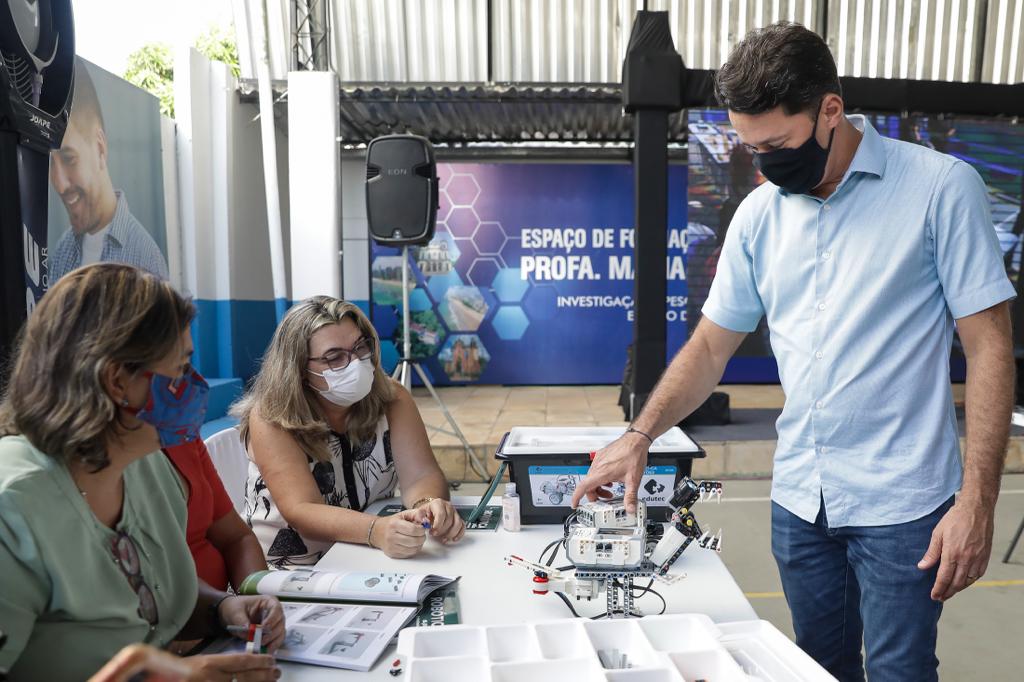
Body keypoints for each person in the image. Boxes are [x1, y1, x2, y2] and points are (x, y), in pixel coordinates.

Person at [572, 22, 1014, 682]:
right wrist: (642, 433)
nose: (764, 163)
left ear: (830, 110)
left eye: (776, 143)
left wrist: (977, 502)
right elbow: (711, 348)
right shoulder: (759, 215)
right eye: (750, 147)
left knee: (900, 672)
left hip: (904, 506)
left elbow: (989, 348)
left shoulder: (939, 189)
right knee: (816, 668)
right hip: (802, 500)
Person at [0, 263, 283, 681]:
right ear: (117, 381)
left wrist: (223, 610)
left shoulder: (146, 463)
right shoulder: (14, 506)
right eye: (182, 367)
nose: (196, 383)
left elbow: (152, 604)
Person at [233, 296, 465, 567]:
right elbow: (302, 510)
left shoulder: (392, 399)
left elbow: (420, 475)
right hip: (289, 573)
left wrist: (427, 503)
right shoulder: (272, 417)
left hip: (369, 559)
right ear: (299, 369)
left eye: (360, 347)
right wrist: (375, 531)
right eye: (335, 357)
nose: (355, 362)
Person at [49, 59, 169, 282]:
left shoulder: (145, 257)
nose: (59, 183)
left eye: (69, 159)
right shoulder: (63, 250)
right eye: (50, 164)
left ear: (100, 148)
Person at [164, 439, 268, 592]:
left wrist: (257, 599)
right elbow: (157, 580)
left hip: (226, 603)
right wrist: (223, 606)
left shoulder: (183, 439)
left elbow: (237, 538)